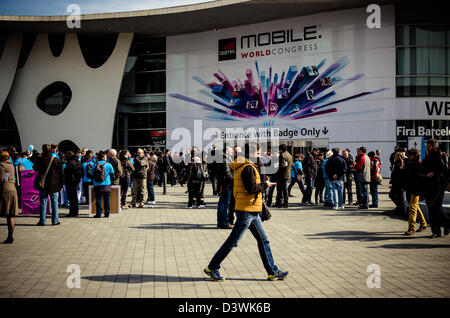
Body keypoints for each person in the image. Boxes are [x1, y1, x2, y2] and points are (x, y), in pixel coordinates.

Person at [204, 143, 288, 282]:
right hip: (246, 210)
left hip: (251, 209)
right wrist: (265, 185)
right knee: (233, 241)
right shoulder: (248, 167)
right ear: (253, 153)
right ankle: (212, 267)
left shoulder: (246, 165)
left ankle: (272, 271)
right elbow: (251, 188)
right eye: (259, 153)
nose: (260, 155)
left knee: (263, 239)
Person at [420, 139, 449, 238]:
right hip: (428, 187)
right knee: (432, 210)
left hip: (437, 188)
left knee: (437, 209)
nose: (427, 148)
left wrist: (434, 173)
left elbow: (445, 172)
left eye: (429, 146)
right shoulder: (427, 158)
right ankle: (437, 230)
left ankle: (445, 225)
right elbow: (423, 171)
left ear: (434, 146)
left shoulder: (440, 157)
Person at [33, 144, 64, 226]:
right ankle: (55, 220)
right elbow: (61, 173)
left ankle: (42, 221)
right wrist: (61, 185)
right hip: (54, 184)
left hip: (43, 184)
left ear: (43, 150)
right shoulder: (56, 160)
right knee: (54, 202)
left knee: (43, 202)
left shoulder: (40, 159)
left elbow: (34, 168)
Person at [401, 148, 427, 235]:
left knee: (412, 208)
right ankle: (423, 224)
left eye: (410, 155)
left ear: (415, 155)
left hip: (416, 189)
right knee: (415, 206)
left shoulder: (419, 165)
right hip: (410, 188)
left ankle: (411, 227)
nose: (408, 157)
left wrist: (423, 193)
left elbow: (421, 180)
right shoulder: (410, 164)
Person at [0, 150, 18, 243]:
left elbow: (1, 179)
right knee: (10, 215)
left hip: (5, 190)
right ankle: (10, 236)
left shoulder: (1, 165)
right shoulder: (11, 165)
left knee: (5, 212)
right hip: (12, 188)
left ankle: (9, 237)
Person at [91, 151, 115, 218]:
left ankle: (98, 213)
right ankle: (107, 213)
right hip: (107, 184)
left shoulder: (94, 165)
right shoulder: (108, 164)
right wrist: (112, 183)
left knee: (98, 199)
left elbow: (91, 174)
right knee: (106, 200)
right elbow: (113, 175)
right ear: (104, 157)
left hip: (97, 185)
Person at [215, 147, 234, 229]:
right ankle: (224, 222)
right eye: (231, 151)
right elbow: (227, 172)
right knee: (224, 204)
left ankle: (221, 222)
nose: (232, 153)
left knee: (223, 203)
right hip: (225, 184)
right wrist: (233, 180)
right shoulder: (225, 159)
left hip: (223, 184)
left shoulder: (223, 158)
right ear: (226, 151)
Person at [64, 151, 83, 217]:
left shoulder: (69, 163)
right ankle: (75, 212)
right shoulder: (77, 161)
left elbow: (67, 173)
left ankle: (72, 212)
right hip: (76, 181)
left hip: (70, 181)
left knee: (71, 197)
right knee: (74, 197)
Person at [275, 144, 293, 208]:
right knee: (284, 189)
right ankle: (284, 202)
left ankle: (281, 203)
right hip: (287, 173)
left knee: (281, 189)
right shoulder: (289, 155)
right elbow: (291, 164)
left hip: (282, 174)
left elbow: (281, 165)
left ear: (280, 149)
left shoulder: (282, 155)